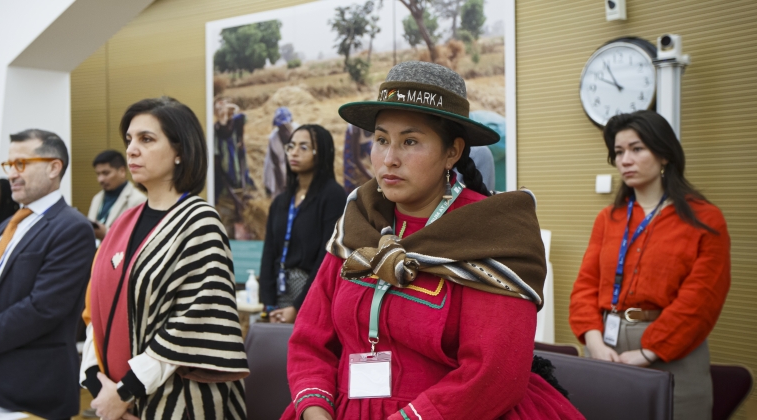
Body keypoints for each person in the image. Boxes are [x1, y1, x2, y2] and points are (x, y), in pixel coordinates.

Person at [284, 61, 582, 420]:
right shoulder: (358, 220)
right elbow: (310, 339)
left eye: (410, 141)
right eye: (381, 140)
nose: (389, 159)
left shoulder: (491, 232)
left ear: (452, 152)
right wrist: (316, 409)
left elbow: (492, 375)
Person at [81, 97, 249, 420]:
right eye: (129, 140)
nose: (131, 150)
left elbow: (193, 322)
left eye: (146, 139)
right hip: (118, 400)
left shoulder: (200, 221)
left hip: (179, 403)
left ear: (179, 152)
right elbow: (97, 310)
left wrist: (125, 391)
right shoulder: (123, 223)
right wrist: (97, 383)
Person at [569, 110, 730, 420]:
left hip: (673, 351)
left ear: (664, 155)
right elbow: (585, 287)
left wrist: (649, 351)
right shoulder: (608, 219)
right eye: (618, 152)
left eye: (637, 148)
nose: (625, 160)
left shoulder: (705, 219)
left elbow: (702, 299)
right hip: (606, 346)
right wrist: (594, 341)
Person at [0, 129, 96, 419]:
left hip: (31, 383)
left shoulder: (72, 228)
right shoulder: (8, 225)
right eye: (9, 165)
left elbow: (42, 308)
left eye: (22, 164)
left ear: (54, 167)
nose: (12, 174)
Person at [260, 124, 346, 324]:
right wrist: (269, 304)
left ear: (321, 153)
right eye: (291, 146)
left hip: (312, 295)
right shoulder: (281, 201)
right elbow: (269, 254)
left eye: (304, 147)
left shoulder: (333, 196)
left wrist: (299, 306)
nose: (294, 153)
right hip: (278, 298)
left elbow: (327, 258)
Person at [87, 150, 147, 241]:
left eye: (106, 173)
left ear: (122, 171)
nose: (100, 179)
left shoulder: (139, 200)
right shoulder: (97, 198)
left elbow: (136, 238)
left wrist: (105, 233)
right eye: (98, 174)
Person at [264, 107, 294, 197]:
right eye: (281, 128)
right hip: (278, 168)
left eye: (286, 127)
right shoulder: (274, 140)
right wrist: (283, 189)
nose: (284, 131)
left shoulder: (299, 133)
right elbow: (276, 167)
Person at [342, 124, 374, 193]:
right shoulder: (356, 128)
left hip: (366, 142)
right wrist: (372, 178)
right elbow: (356, 158)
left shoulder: (377, 125)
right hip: (353, 143)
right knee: (351, 173)